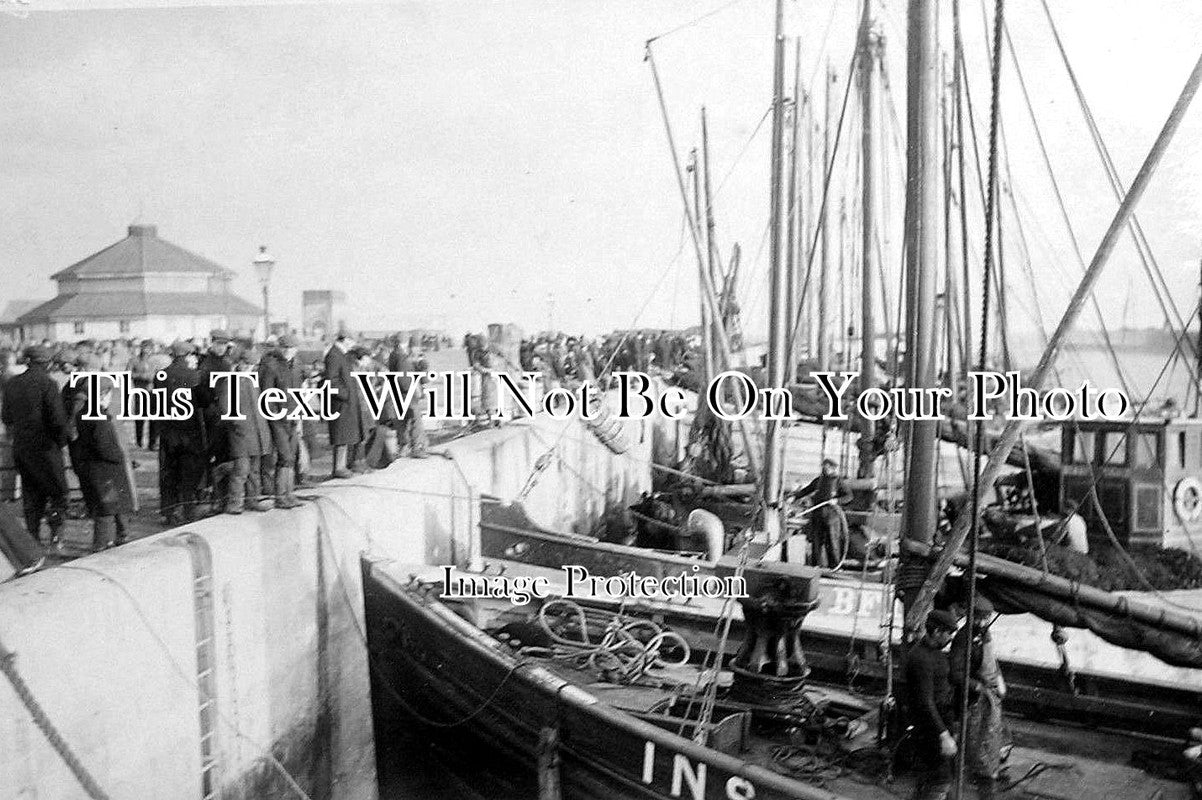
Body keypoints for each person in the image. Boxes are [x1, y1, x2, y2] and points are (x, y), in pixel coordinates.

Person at [0, 345, 71, 548]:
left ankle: (33, 536)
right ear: (47, 363)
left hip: (22, 447)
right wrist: (62, 442)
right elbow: (57, 419)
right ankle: (56, 536)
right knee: (58, 492)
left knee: (31, 494)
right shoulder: (48, 384)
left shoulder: (12, 384)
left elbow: (6, 417)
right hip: (46, 448)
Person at [949, 596, 1006, 800]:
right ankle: (955, 795)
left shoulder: (984, 634)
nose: (983, 623)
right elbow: (954, 674)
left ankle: (986, 791)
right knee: (964, 754)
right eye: (979, 618)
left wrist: (999, 679)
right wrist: (977, 686)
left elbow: (992, 661)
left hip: (988, 702)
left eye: (986, 618)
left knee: (988, 752)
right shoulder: (963, 638)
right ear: (971, 616)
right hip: (970, 703)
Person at [904, 608, 960, 800]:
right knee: (939, 780)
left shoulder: (936, 653)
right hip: (930, 730)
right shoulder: (921, 658)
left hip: (942, 721)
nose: (950, 637)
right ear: (936, 632)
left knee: (936, 779)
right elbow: (925, 702)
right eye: (948, 633)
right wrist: (943, 735)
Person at [73, 381, 135, 549]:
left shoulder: (83, 413)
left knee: (112, 505)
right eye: (108, 394)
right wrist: (119, 456)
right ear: (100, 395)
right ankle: (101, 545)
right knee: (107, 510)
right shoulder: (99, 417)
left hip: (95, 470)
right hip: (106, 471)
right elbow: (104, 447)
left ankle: (121, 535)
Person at [156, 340, 206, 524]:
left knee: (169, 472)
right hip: (189, 433)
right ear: (187, 355)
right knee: (188, 473)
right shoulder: (195, 376)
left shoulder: (161, 376)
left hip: (168, 432)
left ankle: (169, 512)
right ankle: (189, 511)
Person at [258, 334, 304, 508]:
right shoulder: (271, 365)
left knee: (290, 456)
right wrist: (274, 416)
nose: (288, 352)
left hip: (292, 416)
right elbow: (266, 395)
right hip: (278, 419)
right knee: (285, 456)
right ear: (280, 348)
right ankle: (280, 495)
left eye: (291, 349)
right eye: (285, 348)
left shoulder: (296, 365)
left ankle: (289, 493)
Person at [791, 458, 852, 567]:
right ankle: (817, 566)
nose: (825, 469)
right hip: (818, 515)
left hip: (832, 517)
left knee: (833, 542)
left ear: (833, 468)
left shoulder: (839, 481)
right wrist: (794, 497)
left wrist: (837, 500)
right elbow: (806, 490)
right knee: (817, 542)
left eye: (828, 467)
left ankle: (835, 566)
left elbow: (849, 496)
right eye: (824, 467)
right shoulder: (818, 481)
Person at [325, 331, 365, 479]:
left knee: (345, 435)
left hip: (345, 402)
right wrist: (346, 395)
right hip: (340, 403)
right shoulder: (334, 355)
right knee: (341, 436)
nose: (353, 344)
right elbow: (332, 380)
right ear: (346, 340)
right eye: (352, 341)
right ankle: (339, 468)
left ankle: (343, 466)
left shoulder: (339, 354)